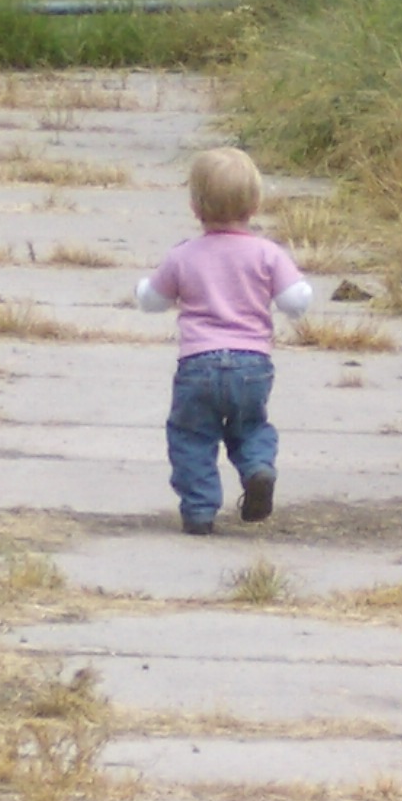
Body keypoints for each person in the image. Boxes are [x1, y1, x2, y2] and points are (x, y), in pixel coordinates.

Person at [135, 147, 313, 536]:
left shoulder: (184, 255)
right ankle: (257, 468)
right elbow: (294, 300)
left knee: (191, 435)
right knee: (250, 425)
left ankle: (199, 510)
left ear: (195, 206)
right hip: (252, 364)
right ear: (255, 203)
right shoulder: (267, 253)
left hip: (197, 364)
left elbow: (153, 299)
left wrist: (143, 289)